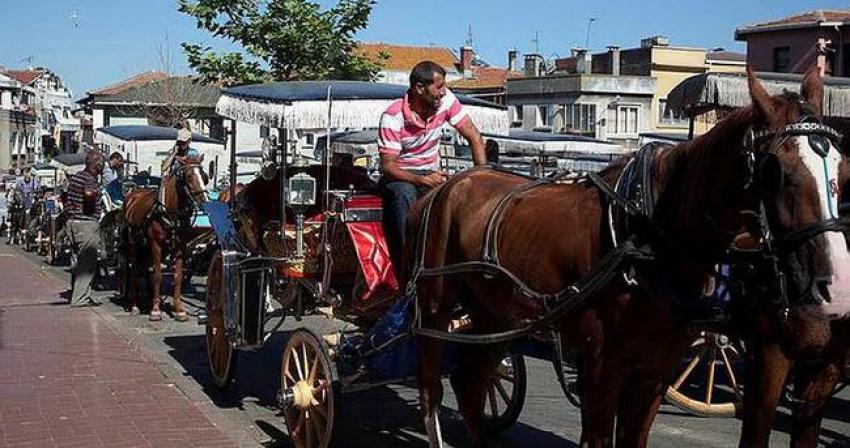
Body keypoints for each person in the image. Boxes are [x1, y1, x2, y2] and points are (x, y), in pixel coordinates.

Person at [377, 60, 486, 268]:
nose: (444, 92)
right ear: (419, 88)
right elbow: (388, 166)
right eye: (439, 86)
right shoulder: (393, 116)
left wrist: (482, 177)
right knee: (403, 195)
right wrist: (421, 179)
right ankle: (408, 265)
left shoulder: (446, 101)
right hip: (402, 175)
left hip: (431, 172)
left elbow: (474, 136)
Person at [65, 150, 104, 307]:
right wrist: (91, 205)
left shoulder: (76, 177)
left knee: (77, 262)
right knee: (87, 263)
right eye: (101, 165)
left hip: (72, 223)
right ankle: (79, 299)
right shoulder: (89, 179)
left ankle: (80, 293)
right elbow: (88, 194)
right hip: (85, 223)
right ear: (97, 165)